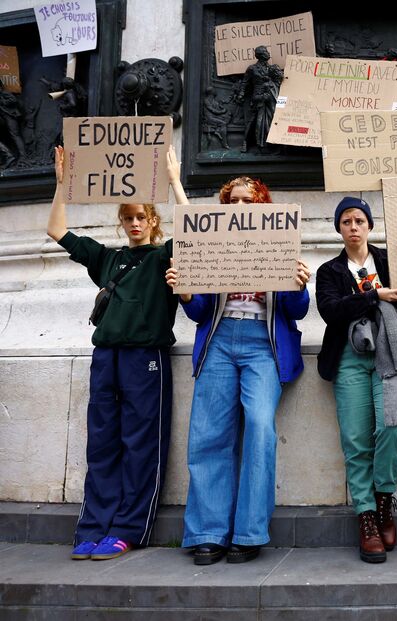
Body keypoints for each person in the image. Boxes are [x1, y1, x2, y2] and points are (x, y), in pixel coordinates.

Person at [48, 145, 185, 561]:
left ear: (153, 220)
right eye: (128, 218)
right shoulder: (108, 259)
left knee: (140, 442)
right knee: (103, 443)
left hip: (146, 358)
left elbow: (202, 231)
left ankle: (127, 528)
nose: (135, 224)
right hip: (106, 357)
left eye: (141, 217)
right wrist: (60, 185)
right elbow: (57, 231)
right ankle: (93, 527)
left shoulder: (164, 256)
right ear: (122, 222)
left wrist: (175, 180)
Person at [165, 176, 310, 565]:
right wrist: (185, 292)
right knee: (208, 432)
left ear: (263, 206)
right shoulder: (212, 245)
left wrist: (298, 286)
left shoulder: (281, 243)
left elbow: (296, 312)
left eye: (248, 201)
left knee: (260, 427)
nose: (240, 208)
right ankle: (209, 532)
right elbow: (198, 312)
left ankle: (248, 533)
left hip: (263, 347)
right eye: (232, 202)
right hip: (220, 341)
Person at [316, 197, 397, 564]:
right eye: (346, 221)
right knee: (355, 440)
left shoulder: (388, 259)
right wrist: (373, 295)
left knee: (394, 427)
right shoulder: (330, 270)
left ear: (369, 226)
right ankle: (366, 517)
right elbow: (332, 311)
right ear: (339, 228)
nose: (353, 226)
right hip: (349, 358)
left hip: (391, 353)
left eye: (359, 220)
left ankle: (383, 502)